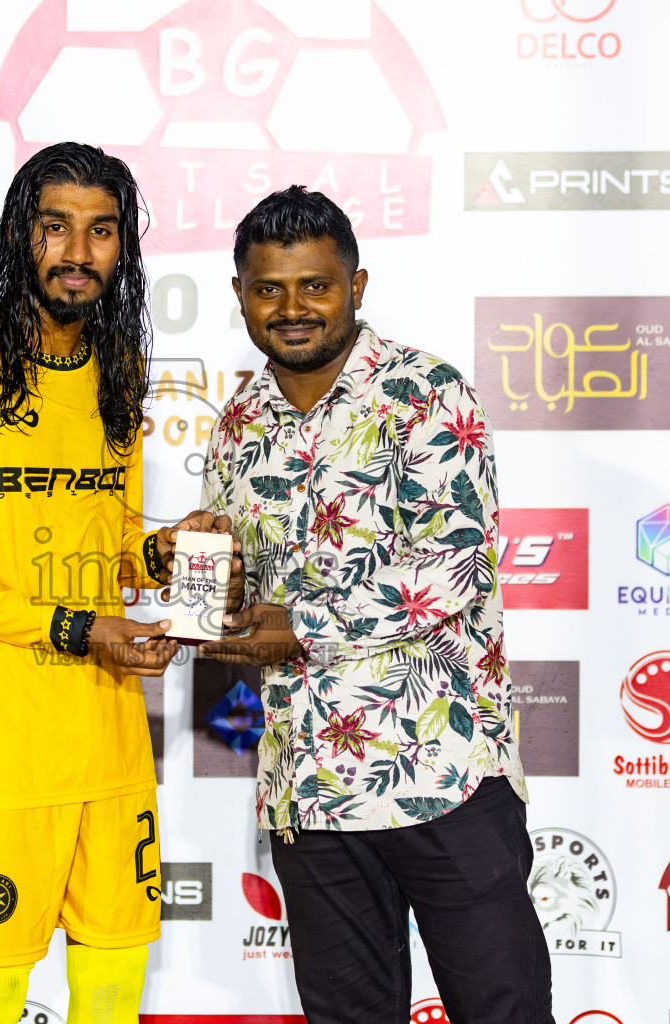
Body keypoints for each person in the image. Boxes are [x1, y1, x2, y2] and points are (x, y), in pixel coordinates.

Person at [198, 186, 554, 1024]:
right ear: (241, 294)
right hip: (308, 787)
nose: (292, 308)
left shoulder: (427, 395)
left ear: (356, 288)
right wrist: (210, 587)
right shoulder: (239, 422)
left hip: (441, 774)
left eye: (315, 285)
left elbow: (455, 569)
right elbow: (245, 580)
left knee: (502, 1012)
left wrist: (301, 626)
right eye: (269, 288)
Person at [0, 142, 215, 1024]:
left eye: (101, 231)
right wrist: (74, 628)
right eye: (56, 227)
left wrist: (161, 553)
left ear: (124, 248)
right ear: (18, 238)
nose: (78, 252)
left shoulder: (118, 373)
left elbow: (105, 542)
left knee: (114, 983)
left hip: (106, 742)